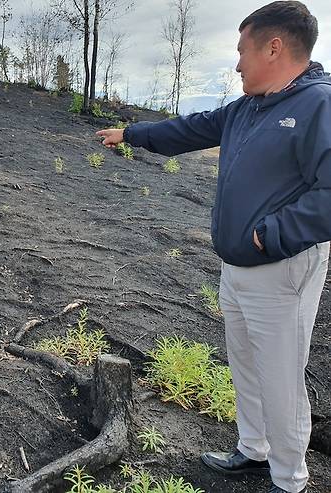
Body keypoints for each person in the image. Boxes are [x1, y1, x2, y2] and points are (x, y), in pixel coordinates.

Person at [97, 2, 330, 492]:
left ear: (274, 46)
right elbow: (191, 128)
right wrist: (133, 133)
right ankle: (253, 450)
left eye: (242, 50)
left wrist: (274, 233)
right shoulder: (248, 107)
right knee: (245, 360)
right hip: (238, 265)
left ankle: (290, 479)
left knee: (281, 374)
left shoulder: (318, 105)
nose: (238, 62)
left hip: (282, 267)